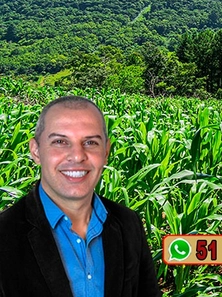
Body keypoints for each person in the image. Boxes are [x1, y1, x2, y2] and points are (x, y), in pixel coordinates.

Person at [0, 96, 161, 297]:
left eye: (91, 142)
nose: (77, 156)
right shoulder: (4, 234)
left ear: (106, 152)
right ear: (36, 151)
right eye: (60, 142)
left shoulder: (129, 224)